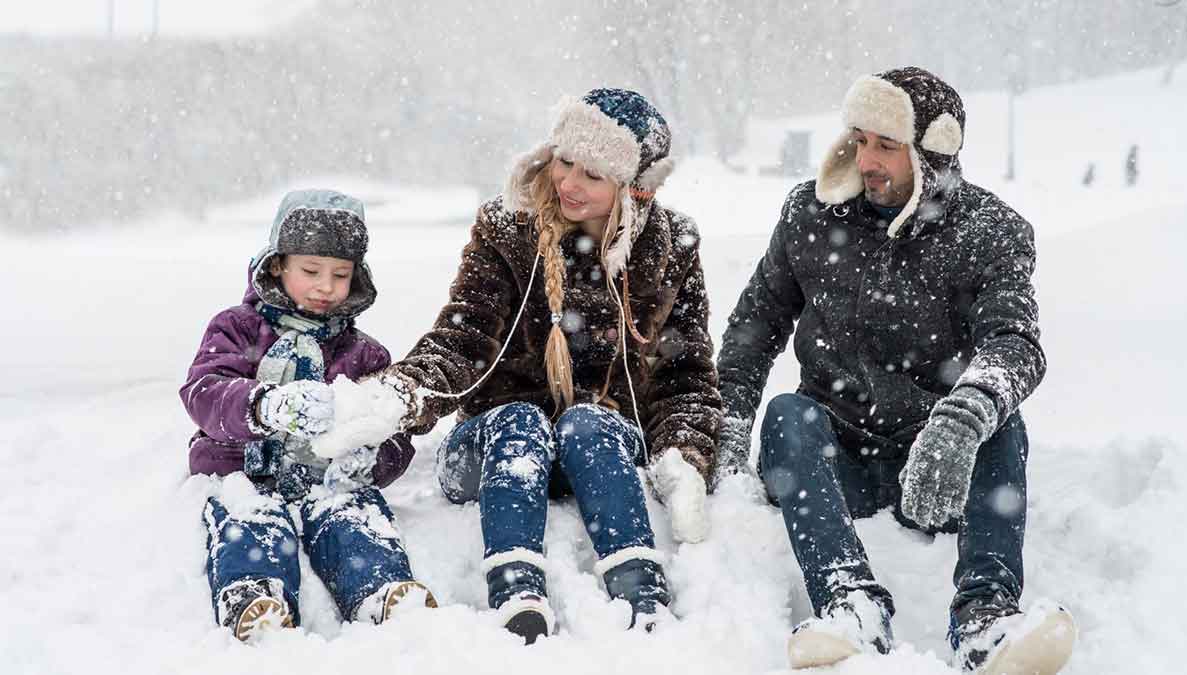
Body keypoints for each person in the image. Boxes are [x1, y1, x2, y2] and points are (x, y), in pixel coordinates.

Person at [715, 67, 1076, 673]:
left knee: (1000, 421)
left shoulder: (990, 232)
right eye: (859, 139)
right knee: (787, 413)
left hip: (938, 468)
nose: (867, 159)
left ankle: (986, 620)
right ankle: (850, 604)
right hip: (833, 462)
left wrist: (960, 421)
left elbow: (1015, 343)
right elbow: (754, 328)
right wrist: (726, 429)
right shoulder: (809, 214)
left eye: (886, 145)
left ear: (931, 153)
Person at [373, 89, 721, 644]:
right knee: (520, 421)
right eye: (564, 160)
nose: (568, 183)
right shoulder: (507, 229)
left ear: (634, 189)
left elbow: (686, 373)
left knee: (589, 421)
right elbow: (463, 336)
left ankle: (640, 589)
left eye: (592, 173)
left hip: (597, 450)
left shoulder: (670, 245)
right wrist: (399, 395)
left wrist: (684, 454)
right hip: (494, 448)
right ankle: (516, 590)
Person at [180, 189, 436, 641]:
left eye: (340, 274)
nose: (326, 287)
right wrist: (263, 405)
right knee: (251, 518)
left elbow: (392, 431)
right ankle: (255, 593)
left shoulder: (364, 354)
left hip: (327, 479)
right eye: (311, 271)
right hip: (243, 470)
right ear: (277, 264)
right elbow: (204, 391)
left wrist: (372, 459)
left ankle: (379, 589)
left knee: (354, 517)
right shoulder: (237, 329)